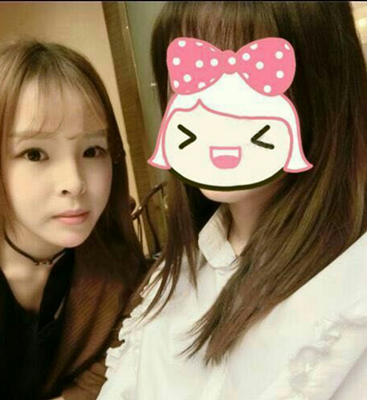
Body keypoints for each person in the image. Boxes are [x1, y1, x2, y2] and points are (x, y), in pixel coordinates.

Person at [97, 2, 367, 400]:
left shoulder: (350, 295)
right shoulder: (179, 270)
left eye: (248, 83)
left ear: (323, 83)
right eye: (194, 80)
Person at [0, 39, 146, 400]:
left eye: (92, 150)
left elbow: (116, 365)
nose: (75, 183)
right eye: (35, 153)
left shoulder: (122, 271)